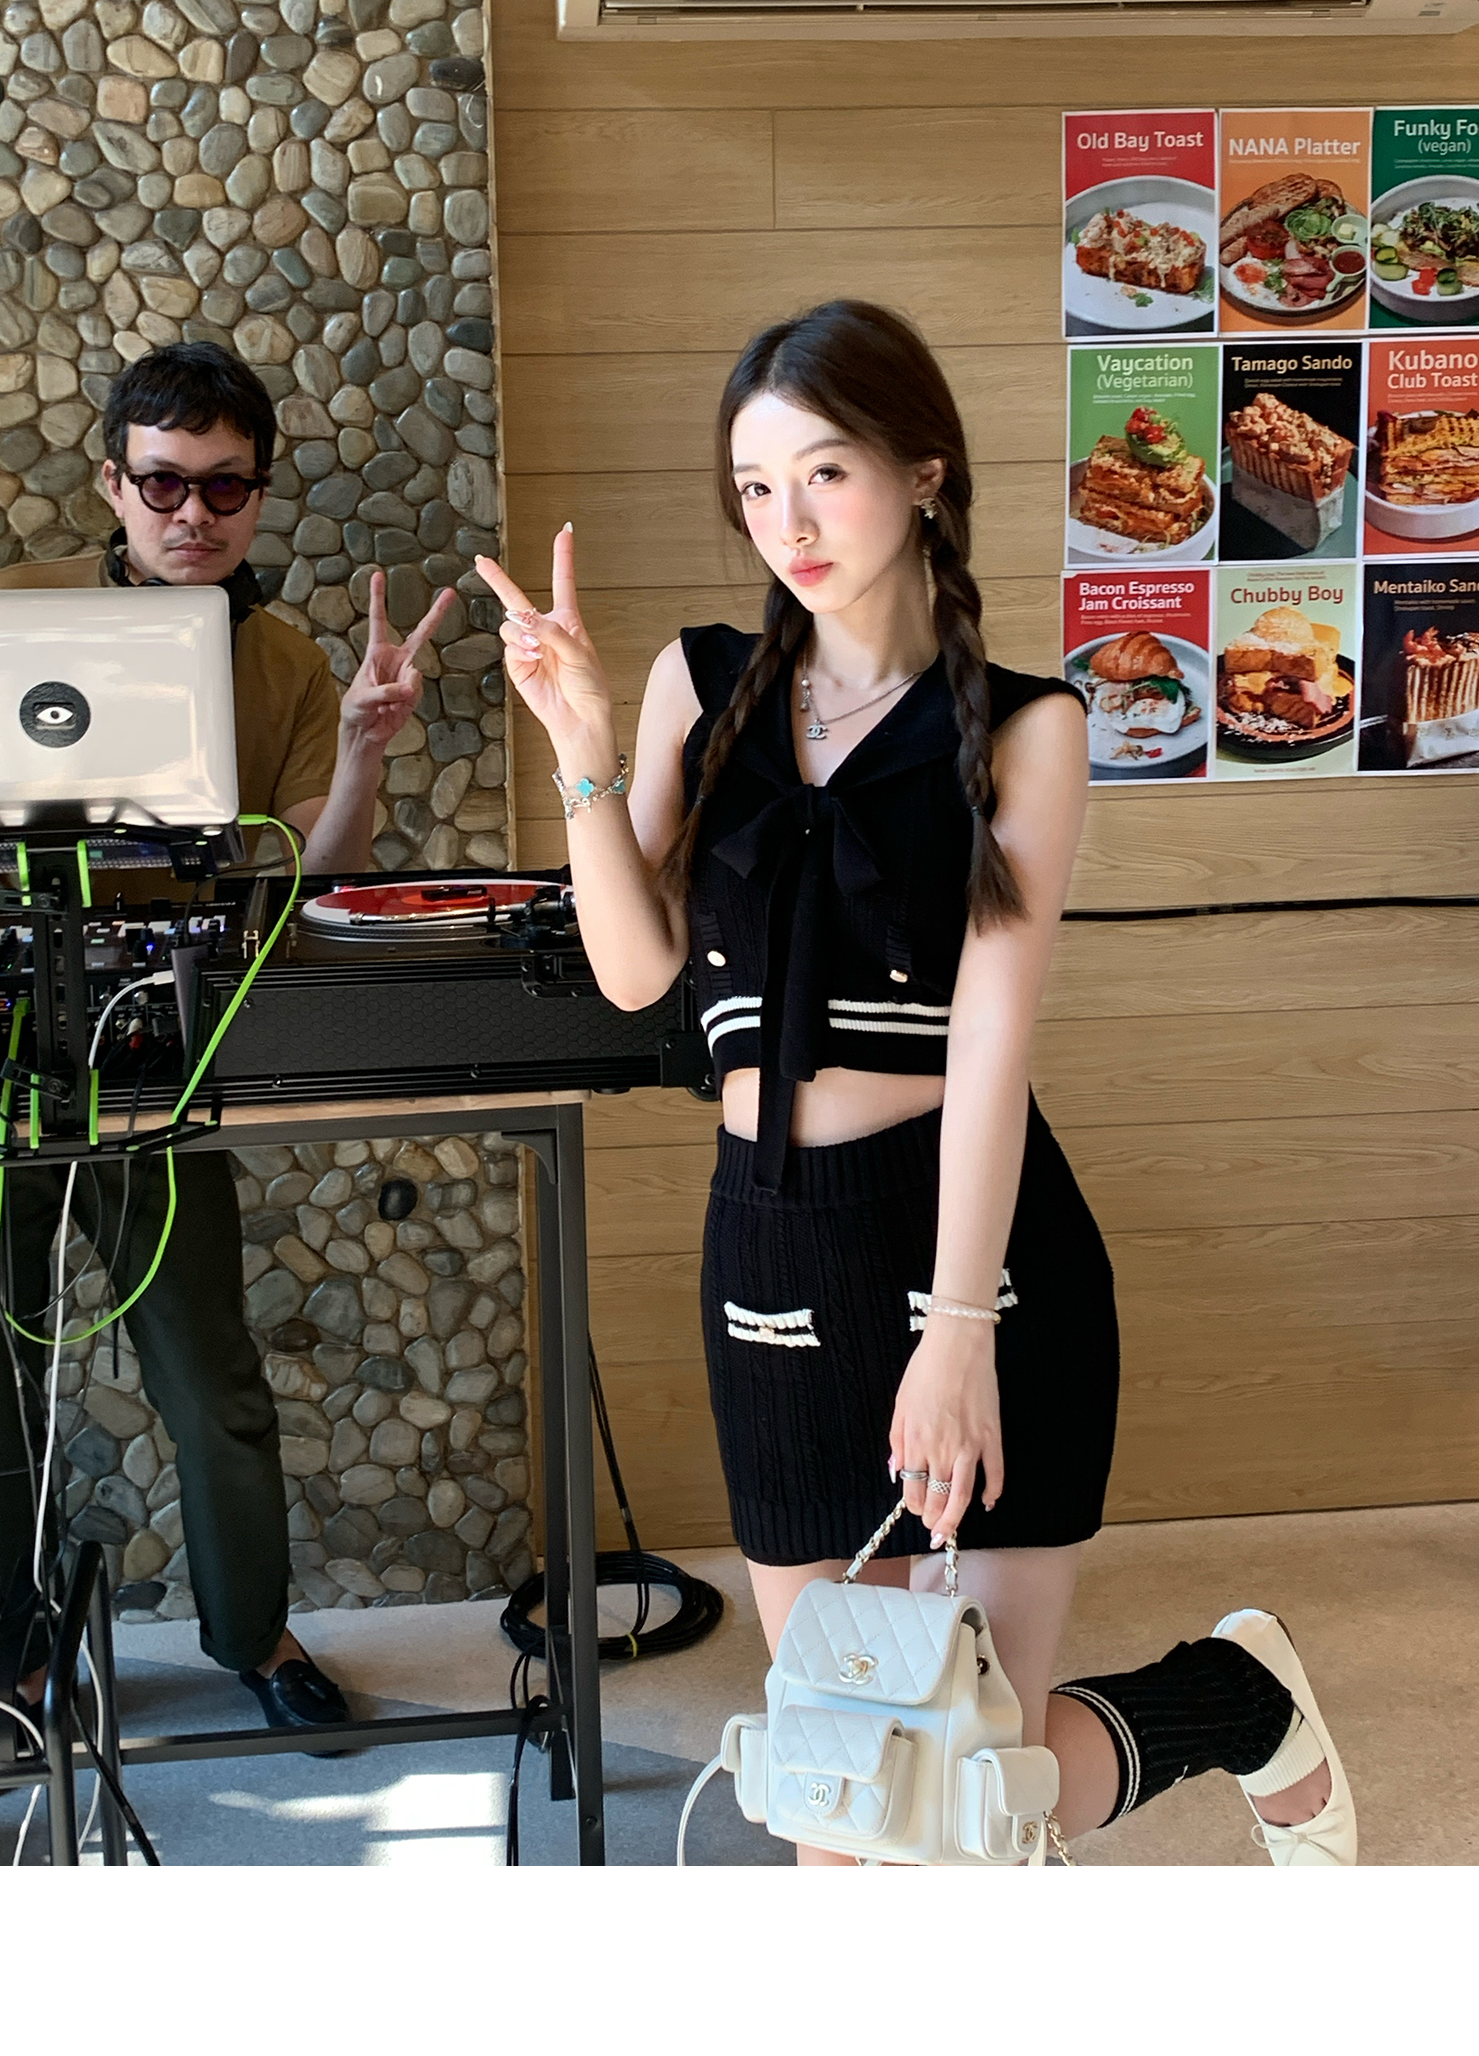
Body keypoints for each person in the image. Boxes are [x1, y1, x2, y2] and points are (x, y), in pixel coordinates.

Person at [486, 300, 1356, 1865]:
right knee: (846, 1795)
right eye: (757, 488)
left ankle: (1235, 1700)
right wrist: (584, 749)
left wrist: (958, 1335)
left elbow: (992, 1047)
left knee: (962, 1790)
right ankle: (1234, 1697)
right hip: (769, 1248)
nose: (790, 523)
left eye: (825, 473)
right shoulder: (697, 681)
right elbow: (632, 970)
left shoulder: (1030, 728)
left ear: (925, 472)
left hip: (973, 1253)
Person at [0, 343, 450, 1742]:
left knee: (211, 1376)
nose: (194, 513)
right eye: (165, 483)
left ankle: (253, 1632)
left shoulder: (285, 660)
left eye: (226, 487)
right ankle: (9, 1637)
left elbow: (316, 877)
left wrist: (363, 750)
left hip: (162, 1049)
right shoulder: (7, 615)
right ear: (112, 483)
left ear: (257, 494)